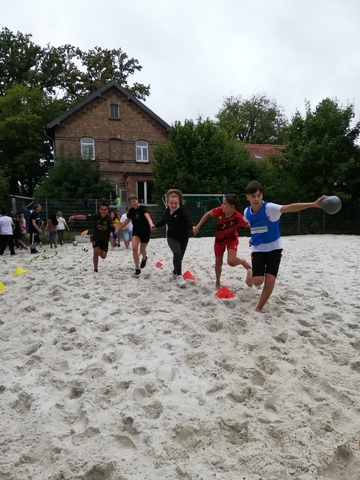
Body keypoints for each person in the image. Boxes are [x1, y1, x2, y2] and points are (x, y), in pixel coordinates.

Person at [243, 180, 327, 313]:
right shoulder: (247, 212)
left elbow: (290, 207)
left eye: (259, 195)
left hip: (274, 248)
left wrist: (313, 204)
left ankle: (259, 308)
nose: (256, 199)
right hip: (258, 249)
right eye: (253, 196)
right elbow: (252, 225)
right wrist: (254, 238)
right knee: (258, 281)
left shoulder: (270, 208)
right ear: (247, 197)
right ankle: (250, 272)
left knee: (270, 281)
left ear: (262, 196)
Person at [193, 194, 252, 289]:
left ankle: (243, 262)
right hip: (219, 240)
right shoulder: (220, 210)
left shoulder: (238, 217)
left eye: (225, 204)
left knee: (231, 262)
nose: (222, 205)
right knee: (218, 262)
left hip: (231, 240)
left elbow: (251, 226)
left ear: (232, 207)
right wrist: (198, 226)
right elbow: (208, 214)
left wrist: (253, 237)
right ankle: (217, 282)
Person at [152, 189, 196, 288]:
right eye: (171, 203)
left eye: (175, 203)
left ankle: (175, 272)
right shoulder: (167, 211)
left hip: (183, 238)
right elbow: (164, 219)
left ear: (179, 202)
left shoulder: (183, 211)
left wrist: (193, 226)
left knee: (179, 257)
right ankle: (179, 276)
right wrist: (156, 226)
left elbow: (188, 220)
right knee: (176, 252)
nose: (173, 205)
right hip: (172, 236)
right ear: (168, 202)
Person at [68, 203, 119, 272]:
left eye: (105, 210)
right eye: (102, 210)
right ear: (99, 210)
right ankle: (95, 268)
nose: (103, 211)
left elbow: (115, 225)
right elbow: (84, 217)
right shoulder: (96, 216)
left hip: (105, 239)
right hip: (96, 237)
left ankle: (100, 250)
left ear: (108, 211)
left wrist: (116, 229)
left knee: (103, 256)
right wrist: (74, 217)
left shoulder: (109, 219)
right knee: (95, 252)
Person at [120, 194, 155, 278]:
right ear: (130, 203)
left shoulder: (143, 209)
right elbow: (127, 221)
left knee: (142, 250)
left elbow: (148, 217)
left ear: (137, 200)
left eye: (134, 201)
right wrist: (119, 228)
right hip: (136, 232)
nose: (133, 203)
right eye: (131, 202)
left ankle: (144, 258)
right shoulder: (131, 211)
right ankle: (137, 268)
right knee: (134, 248)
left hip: (145, 232)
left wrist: (151, 225)